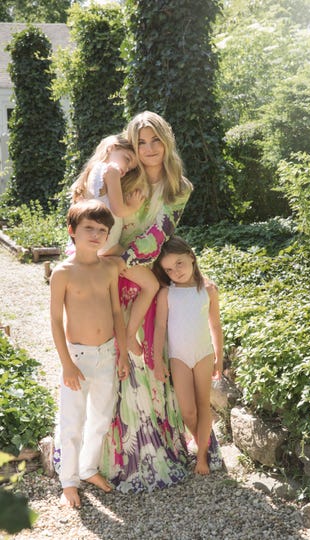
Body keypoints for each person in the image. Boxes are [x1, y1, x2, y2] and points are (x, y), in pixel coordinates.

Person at [100, 111, 195, 492]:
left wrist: (123, 259)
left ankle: (156, 448)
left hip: (142, 274)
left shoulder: (180, 188)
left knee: (146, 364)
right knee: (115, 365)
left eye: (156, 140)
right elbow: (104, 220)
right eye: (142, 142)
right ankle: (111, 456)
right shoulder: (126, 177)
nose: (150, 149)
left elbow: (160, 234)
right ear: (133, 146)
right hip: (111, 276)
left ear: (166, 141)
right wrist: (107, 259)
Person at [50, 199, 129, 508]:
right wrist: (67, 364)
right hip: (78, 358)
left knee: (100, 417)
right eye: (88, 228)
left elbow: (116, 311)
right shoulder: (63, 272)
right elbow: (56, 320)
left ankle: (88, 468)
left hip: (108, 353)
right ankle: (68, 481)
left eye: (102, 229)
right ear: (72, 231)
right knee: (72, 420)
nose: (96, 234)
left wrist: (122, 354)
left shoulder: (109, 267)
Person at [70, 134, 160, 355]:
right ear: (111, 148)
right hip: (109, 245)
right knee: (151, 285)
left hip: (98, 245)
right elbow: (118, 210)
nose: (128, 168)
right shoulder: (110, 170)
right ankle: (129, 335)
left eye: (131, 166)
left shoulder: (93, 172)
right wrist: (133, 205)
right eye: (128, 159)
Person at [153, 236, 223, 475]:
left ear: (191, 257)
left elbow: (215, 326)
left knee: (204, 405)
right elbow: (160, 328)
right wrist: (157, 359)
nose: (176, 271)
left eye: (180, 263)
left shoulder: (208, 289)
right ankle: (204, 440)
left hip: (203, 354)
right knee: (188, 411)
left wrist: (219, 357)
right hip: (178, 357)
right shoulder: (166, 294)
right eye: (169, 269)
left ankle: (202, 457)